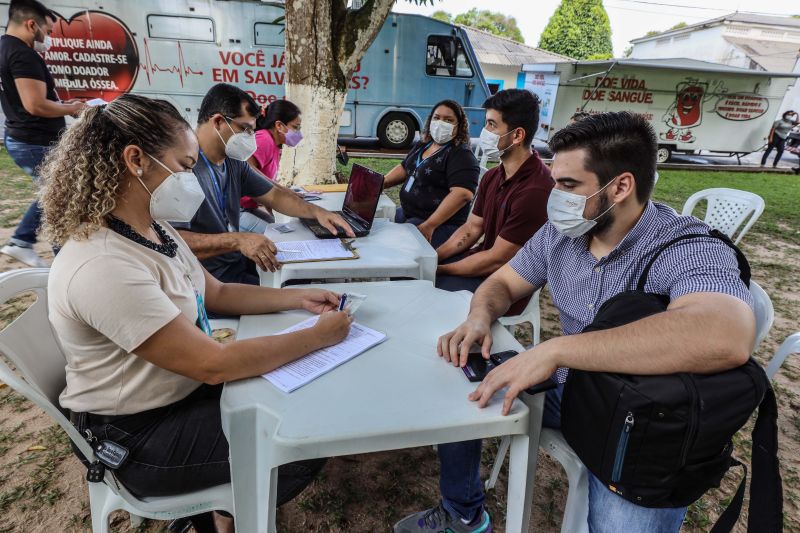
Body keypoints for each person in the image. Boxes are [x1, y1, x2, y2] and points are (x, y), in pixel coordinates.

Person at [394, 112, 755, 533]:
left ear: (621, 186)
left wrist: (556, 351)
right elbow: (501, 284)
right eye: (554, 182)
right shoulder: (562, 233)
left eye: (568, 186)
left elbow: (724, 333)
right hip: (570, 389)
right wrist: (479, 317)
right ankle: (463, 513)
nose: (555, 197)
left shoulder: (684, 245)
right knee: (457, 385)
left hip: (639, 420)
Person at [41, 94, 353, 533]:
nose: (194, 180)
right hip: (137, 435)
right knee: (301, 438)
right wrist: (318, 337)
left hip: (175, 395)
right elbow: (213, 364)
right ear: (136, 160)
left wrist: (298, 299)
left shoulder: (152, 228)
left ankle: (221, 512)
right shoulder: (102, 264)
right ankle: (220, 510)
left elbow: (218, 292)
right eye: (186, 167)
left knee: (287, 403)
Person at [173, 83, 354, 287]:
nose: (251, 137)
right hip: (208, 285)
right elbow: (173, 240)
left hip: (238, 269)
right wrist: (237, 240)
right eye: (245, 129)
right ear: (218, 122)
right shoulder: (182, 168)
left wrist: (317, 212)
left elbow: (275, 195)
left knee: (306, 284)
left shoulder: (233, 162)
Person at [434, 89, 553, 316]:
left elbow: (496, 260)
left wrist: (438, 270)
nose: (485, 132)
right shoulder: (492, 176)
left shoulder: (536, 190)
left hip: (503, 287)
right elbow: (472, 228)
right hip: (480, 267)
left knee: (428, 291)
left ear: (517, 135)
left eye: (491, 125)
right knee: (417, 278)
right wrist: (433, 257)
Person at [0, 0, 85, 267]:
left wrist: (65, 104)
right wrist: (72, 109)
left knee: (57, 195)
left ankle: (55, 255)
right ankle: (23, 242)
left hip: (23, 137)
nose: (47, 38)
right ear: (31, 24)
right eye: (47, 31)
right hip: (32, 140)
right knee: (59, 195)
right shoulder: (23, 55)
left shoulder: (4, 47)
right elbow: (35, 104)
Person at [382, 100, 479, 248]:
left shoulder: (461, 154)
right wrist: (380, 183)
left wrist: (430, 225)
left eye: (448, 120)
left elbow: (463, 194)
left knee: (391, 245)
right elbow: (405, 168)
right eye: (437, 117)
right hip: (409, 213)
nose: (441, 123)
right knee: (379, 228)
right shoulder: (424, 144)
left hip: (437, 224)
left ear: (458, 126)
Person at [239, 99, 304, 234]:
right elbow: (246, 170)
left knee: (281, 230)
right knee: (279, 238)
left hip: (248, 208)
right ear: (279, 126)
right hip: (236, 210)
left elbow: (264, 186)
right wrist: (282, 191)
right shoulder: (264, 140)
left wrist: (280, 194)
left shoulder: (274, 146)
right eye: (295, 127)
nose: (299, 133)